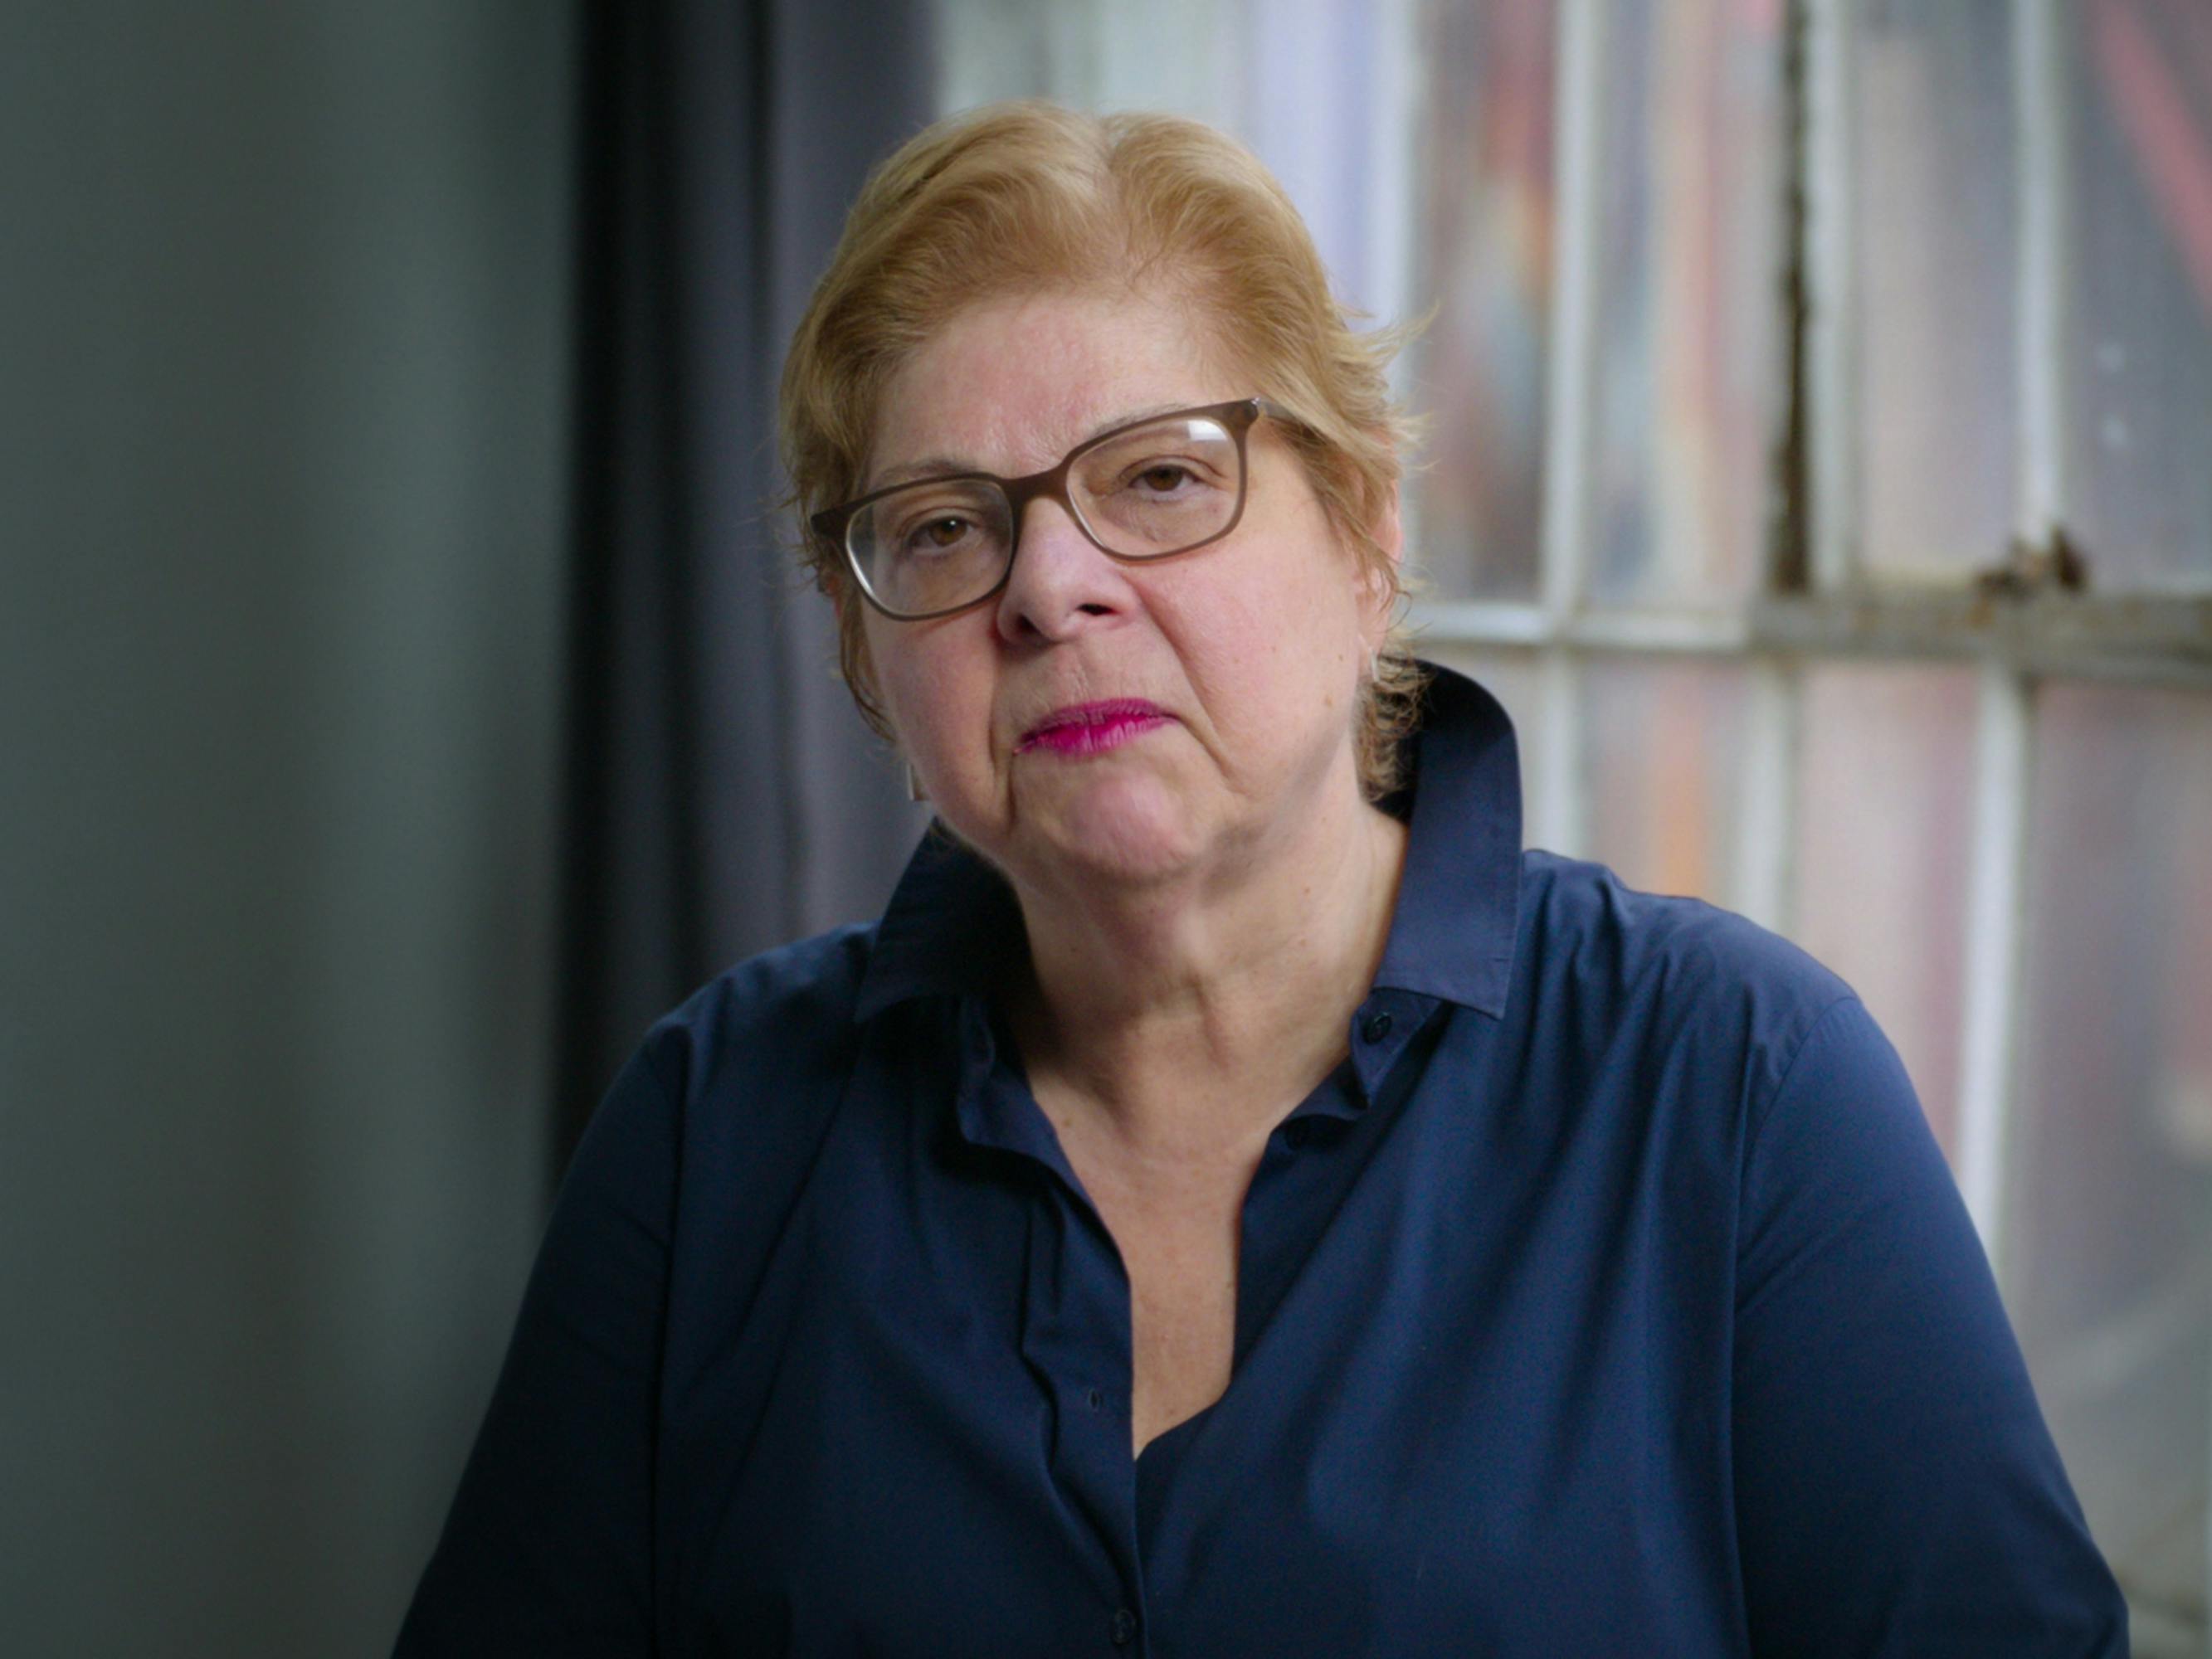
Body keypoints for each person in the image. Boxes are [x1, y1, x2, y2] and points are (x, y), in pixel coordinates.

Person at [397, 102, 2127, 1656]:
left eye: (1158, 478)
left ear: (1368, 535)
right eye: (940, 524)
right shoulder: (716, 1127)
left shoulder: (1739, 1089)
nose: (1048, 586)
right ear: (866, 657)